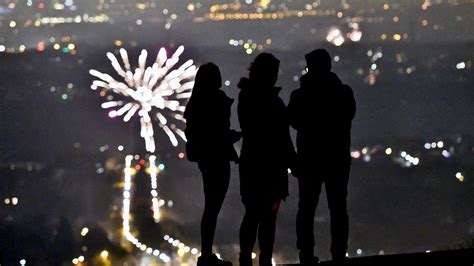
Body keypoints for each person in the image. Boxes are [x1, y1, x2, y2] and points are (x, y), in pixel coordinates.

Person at [288, 49, 356, 264]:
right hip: (337, 158)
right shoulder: (344, 92)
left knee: (306, 208)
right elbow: (347, 117)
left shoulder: (300, 95)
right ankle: (339, 253)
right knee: (338, 208)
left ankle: (306, 254)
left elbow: (294, 121)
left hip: (309, 159)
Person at [237, 53, 296, 266]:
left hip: (252, 164)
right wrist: (293, 161)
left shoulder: (246, 97)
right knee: (267, 218)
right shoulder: (272, 101)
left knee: (252, 214)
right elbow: (282, 136)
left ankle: (246, 258)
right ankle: (264, 260)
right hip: (271, 167)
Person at [184, 62, 240, 266]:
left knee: (211, 208)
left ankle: (206, 253)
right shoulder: (216, 101)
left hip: (205, 159)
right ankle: (206, 255)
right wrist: (231, 138)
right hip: (218, 158)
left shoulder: (195, 102)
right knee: (213, 207)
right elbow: (218, 133)